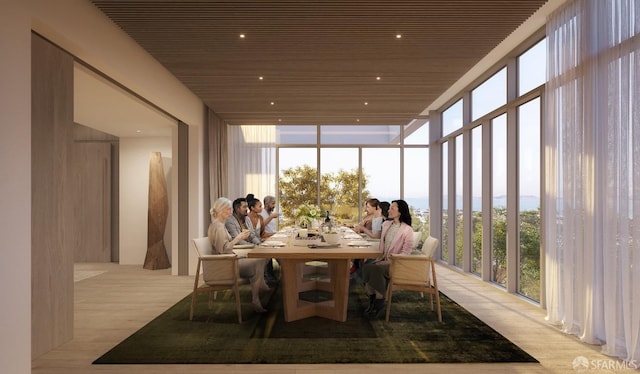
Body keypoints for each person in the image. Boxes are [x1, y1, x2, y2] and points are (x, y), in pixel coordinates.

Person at [208, 197, 271, 313]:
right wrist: (238, 238)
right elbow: (224, 250)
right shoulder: (219, 227)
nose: (230, 212)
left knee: (259, 259)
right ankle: (255, 299)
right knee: (258, 262)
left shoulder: (218, 225)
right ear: (221, 210)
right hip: (225, 265)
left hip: (228, 259)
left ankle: (259, 285)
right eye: (228, 209)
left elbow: (225, 248)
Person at [362, 199, 414, 318]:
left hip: (396, 264)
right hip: (382, 259)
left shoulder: (407, 230)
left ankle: (379, 302)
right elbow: (382, 245)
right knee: (367, 267)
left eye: (392, 208)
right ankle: (373, 302)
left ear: (400, 212)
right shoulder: (386, 225)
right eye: (390, 207)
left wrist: (388, 261)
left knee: (375, 270)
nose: (389, 210)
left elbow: (406, 253)